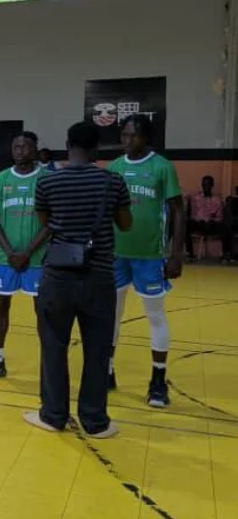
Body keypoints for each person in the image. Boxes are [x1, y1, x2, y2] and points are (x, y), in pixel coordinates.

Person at [26, 120, 131, 439]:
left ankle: (53, 414)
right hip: (99, 277)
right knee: (98, 350)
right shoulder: (113, 182)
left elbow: (46, 223)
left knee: (53, 346)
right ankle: (95, 420)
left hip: (57, 278)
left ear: (67, 145)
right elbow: (125, 224)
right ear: (97, 147)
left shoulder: (47, 182)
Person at [106, 114, 184, 408]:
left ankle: (158, 381)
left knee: (155, 316)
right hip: (116, 254)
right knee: (111, 315)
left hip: (150, 255)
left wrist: (177, 253)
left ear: (146, 137)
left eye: (133, 136)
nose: (127, 140)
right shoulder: (114, 167)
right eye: (124, 135)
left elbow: (178, 211)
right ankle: (107, 370)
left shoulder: (162, 167)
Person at [0, 132, 49, 380]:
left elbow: (51, 221)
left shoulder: (46, 178)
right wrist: (10, 252)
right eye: (16, 147)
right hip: (6, 257)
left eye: (25, 147)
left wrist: (28, 252)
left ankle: (48, 363)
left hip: (37, 258)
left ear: (35, 149)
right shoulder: (0, 180)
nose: (20, 151)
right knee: (1, 307)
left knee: (43, 310)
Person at [187, 175, 229, 260]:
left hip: (211, 224)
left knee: (226, 228)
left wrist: (212, 221)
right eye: (204, 184)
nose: (206, 186)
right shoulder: (195, 198)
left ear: (212, 185)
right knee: (185, 226)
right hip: (198, 223)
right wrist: (198, 220)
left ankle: (226, 254)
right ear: (202, 185)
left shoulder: (217, 200)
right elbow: (193, 214)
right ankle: (189, 253)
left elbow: (220, 217)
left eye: (208, 184)